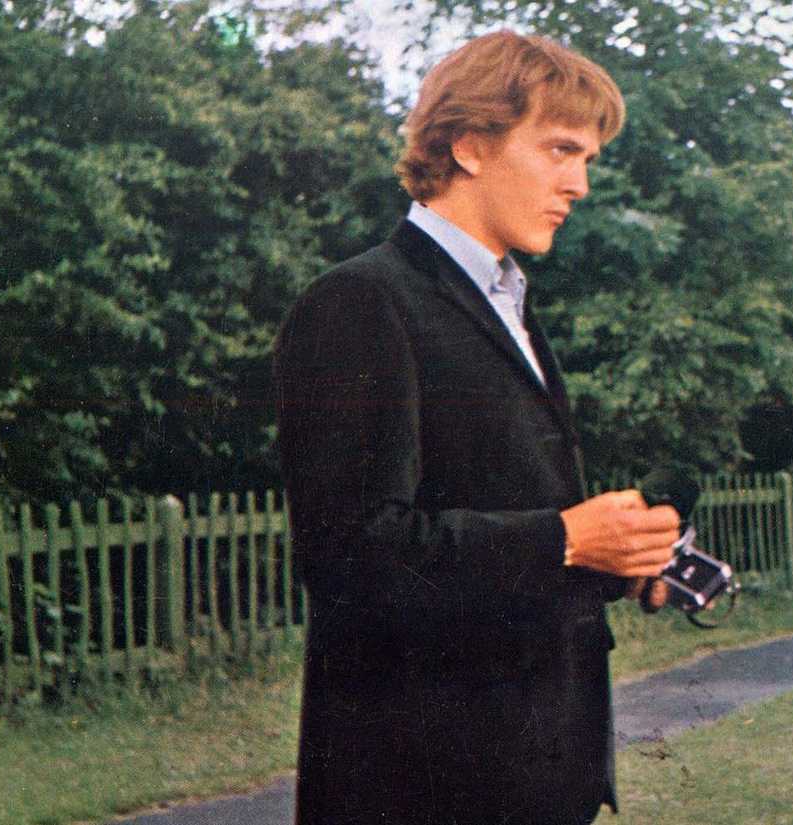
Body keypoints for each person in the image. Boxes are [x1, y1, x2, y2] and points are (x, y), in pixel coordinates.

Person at [273, 31, 681, 825]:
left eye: (589, 159)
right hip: (422, 787)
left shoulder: (508, 301)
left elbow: (493, 522)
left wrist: (614, 560)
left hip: (533, 776)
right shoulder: (361, 302)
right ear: (470, 146)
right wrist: (562, 539)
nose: (581, 183)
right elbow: (348, 555)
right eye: (562, 149)